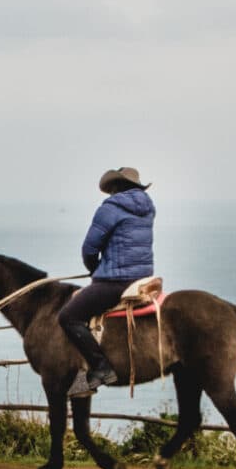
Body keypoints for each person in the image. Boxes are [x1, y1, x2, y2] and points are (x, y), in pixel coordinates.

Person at [60, 166, 155, 397]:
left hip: (116, 281)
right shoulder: (149, 208)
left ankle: (102, 368)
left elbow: (90, 249)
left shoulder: (110, 208)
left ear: (115, 186)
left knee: (68, 317)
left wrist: (96, 270)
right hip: (143, 278)